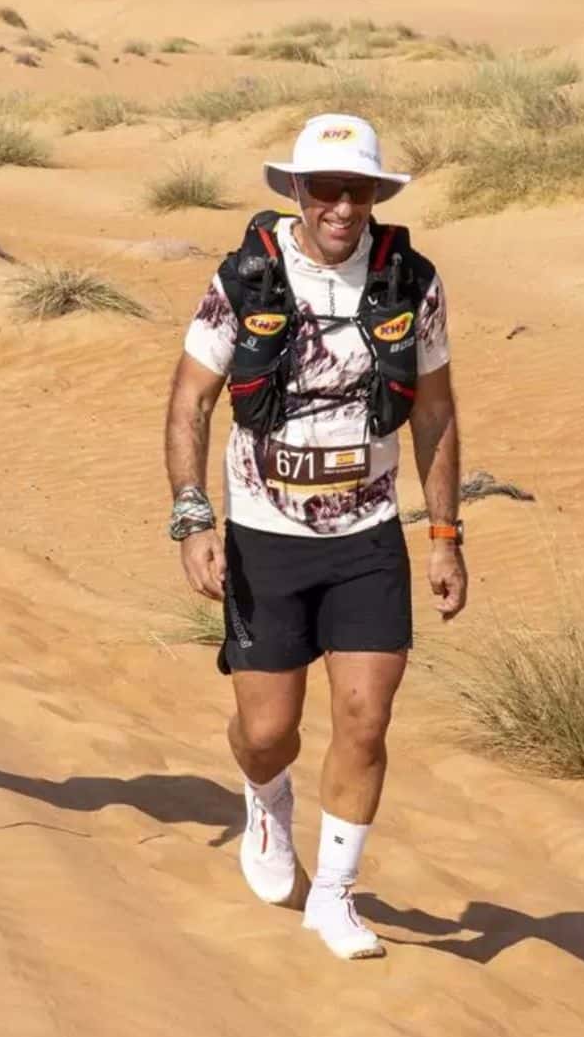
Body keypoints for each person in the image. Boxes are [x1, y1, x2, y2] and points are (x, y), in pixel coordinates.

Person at [162, 113, 466, 959]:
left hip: (368, 531)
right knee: (268, 733)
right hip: (265, 531)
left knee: (366, 718)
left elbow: (435, 412)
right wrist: (193, 516)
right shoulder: (245, 279)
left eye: (357, 190)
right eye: (324, 188)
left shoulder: (412, 281)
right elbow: (190, 401)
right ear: (295, 191)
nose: (340, 206)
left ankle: (334, 894)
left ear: (377, 195)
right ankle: (265, 800)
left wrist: (444, 534)